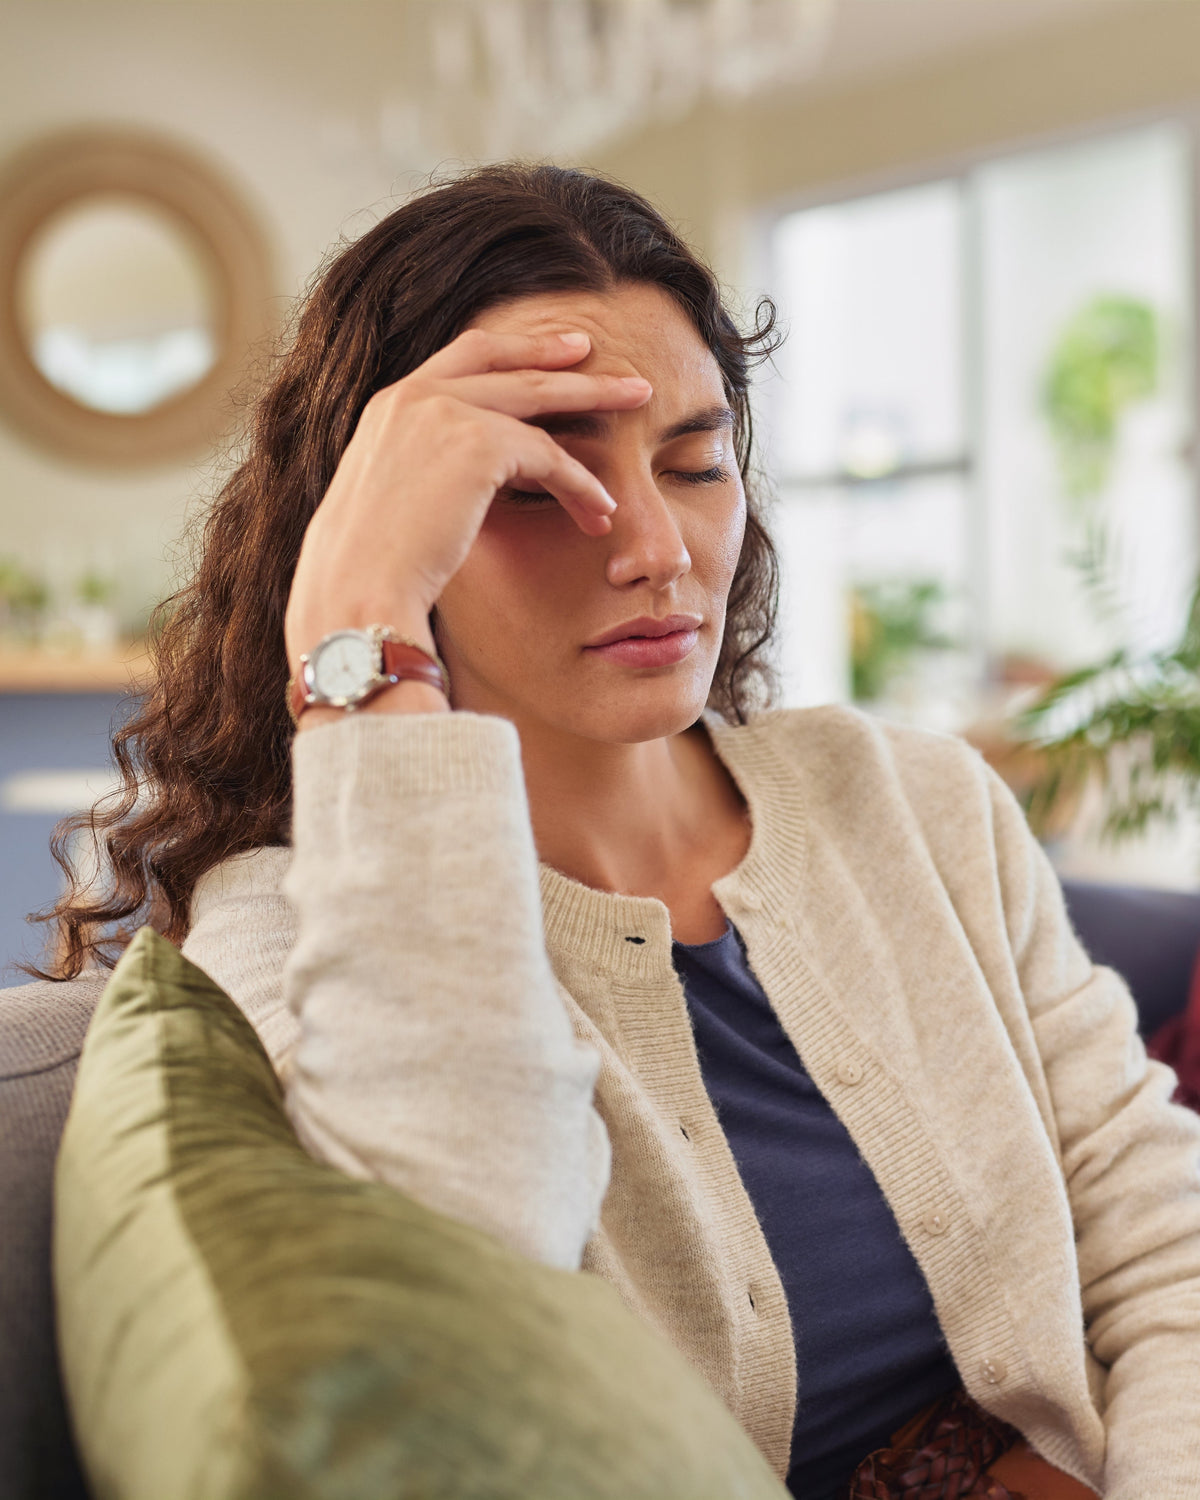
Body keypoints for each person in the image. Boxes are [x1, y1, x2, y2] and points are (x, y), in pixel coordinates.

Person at [33, 164, 1200, 1500]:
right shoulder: (292, 929)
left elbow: (1158, 1239)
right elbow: (473, 1288)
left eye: (696, 464)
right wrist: (358, 622)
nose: (659, 547)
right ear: (385, 527)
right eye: (533, 489)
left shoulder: (913, 798)